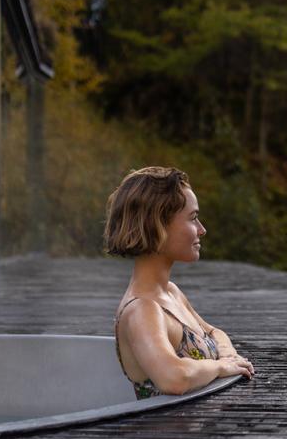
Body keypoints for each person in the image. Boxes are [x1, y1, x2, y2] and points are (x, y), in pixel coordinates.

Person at [104, 166, 255, 399]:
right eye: (193, 218)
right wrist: (220, 367)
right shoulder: (142, 310)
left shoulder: (171, 293)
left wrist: (227, 356)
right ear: (158, 226)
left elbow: (214, 333)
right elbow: (173, 378)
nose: (202, 230)